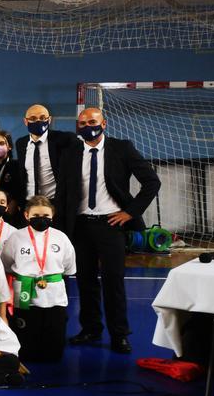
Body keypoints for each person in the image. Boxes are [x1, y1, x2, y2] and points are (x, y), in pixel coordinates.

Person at [58, 107, 160, 354]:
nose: (86, 126)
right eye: (81, 123)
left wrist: (130, 212)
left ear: (103, 123)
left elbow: (152, 182)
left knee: (113, 282)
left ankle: (119, 334)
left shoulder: (122, 148)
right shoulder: (71, 152)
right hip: (80, 225)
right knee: (85, 281)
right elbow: (64, 191)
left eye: (92, 121)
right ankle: (91, 329)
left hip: (111, 225)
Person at [3, 195, 77, 363]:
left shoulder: (61, 238)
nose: (41, 220)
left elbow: (69, 267)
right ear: (26, 215)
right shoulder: (16, 237)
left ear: (52, 216)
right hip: (25, 290)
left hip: (54, 293)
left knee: (55, 347)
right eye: (35, 216)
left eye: (45, 216)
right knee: (26, 342)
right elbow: (6, 263)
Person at [14, 104, 74, 207]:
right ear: (25, 121)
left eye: (42, 118)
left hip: (54, 203)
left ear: (49, 120)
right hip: (28, 203)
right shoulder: (21, 143)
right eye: (33, 118)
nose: (38, 121)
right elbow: (23, 175)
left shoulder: (64, 139)